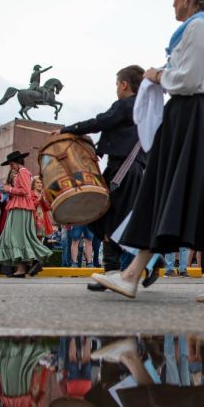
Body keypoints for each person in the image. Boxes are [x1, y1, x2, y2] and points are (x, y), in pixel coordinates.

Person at [92, 0, 204, 302]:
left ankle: (133, 274)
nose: (173, 1)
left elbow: (187, 79)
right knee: (197, 194)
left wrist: (156, 74)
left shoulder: (199, 27)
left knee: (163, 190)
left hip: (194, 115)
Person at [57, 65, 146, 287]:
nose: (116, 88)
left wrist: (66, 130)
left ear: (124, 84)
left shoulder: (126, 105)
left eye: (117, 84)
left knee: (110, 219)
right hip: (134, 168)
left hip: (122, 168)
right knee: (117, 219)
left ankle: (116, 271)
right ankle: (133, 265)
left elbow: (101, 121)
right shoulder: (145, 109)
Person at [0, 151, 52, 277]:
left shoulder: (23, 172)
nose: (10, 167)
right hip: (19, 206)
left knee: (17, 238)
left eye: (11, 164)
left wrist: (9, 189)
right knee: (18, 238)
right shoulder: (21, 172)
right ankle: (22, 268)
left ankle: (33, 261)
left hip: (21, 207)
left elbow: (25, 191)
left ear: (15, 163)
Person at [30, 175, 54, 240]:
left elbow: (47, 208)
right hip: (33, 219)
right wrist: (39, 199)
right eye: (37, 182)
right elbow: (31, 205)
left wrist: (44, 199)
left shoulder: (43, 194)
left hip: (42, 219)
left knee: (40, 239)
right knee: (33, 238)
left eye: (41, 183)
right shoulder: (30, 193)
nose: (40, 184)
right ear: (33, 184)